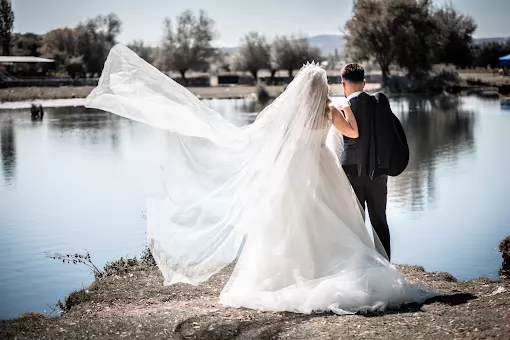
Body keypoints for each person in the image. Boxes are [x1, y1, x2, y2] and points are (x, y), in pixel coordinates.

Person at [85, 44, 436, 315]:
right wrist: (343, 110)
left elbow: (271, 140)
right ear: (324, 87)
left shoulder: (294, 112)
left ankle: (293, 275)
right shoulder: (330, 110)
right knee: (333, 221)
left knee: (291, 224)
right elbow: (355, 132)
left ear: (300, 90)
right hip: (323, 167)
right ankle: (334, 268)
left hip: (297, 170)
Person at [339, 63, 393, 260]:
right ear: (364, 83)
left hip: (351, 171)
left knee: (356, 222)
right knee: (379, 220)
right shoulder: (380, 103)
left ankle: (361, 267)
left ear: (343, 84)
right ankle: (385, 265)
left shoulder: (343, 108)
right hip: (378, 171)